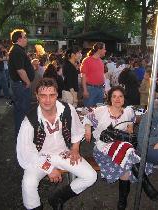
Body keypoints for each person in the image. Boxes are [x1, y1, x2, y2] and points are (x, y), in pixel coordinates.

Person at [16, 78, 97, 210]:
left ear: (57, 95)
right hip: (39, 157)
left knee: (91, 176)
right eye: (43, 96)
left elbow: (76, 130)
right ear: (37, 96)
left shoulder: (67, 109)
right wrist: (48, 168)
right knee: (28, 183)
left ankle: (58, 197)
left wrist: (75, 149)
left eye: (51, 95)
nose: (47, 100)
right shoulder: (29, 120)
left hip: (62, 153)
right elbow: (26, 151)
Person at [83, 86, 158, 210]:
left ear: (124, 98)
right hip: (103, 148)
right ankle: (146, 185)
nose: (117, 99)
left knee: (126, 164)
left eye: (120, 96)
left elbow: (130, 128)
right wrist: (87, 130)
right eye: (114, 96)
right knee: (127, 150)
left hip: (123, 150)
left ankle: (122, 200)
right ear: (110, 99)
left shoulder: (129, 112)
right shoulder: (102, 111)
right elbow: (87, 118)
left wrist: (130, 131)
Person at [8, 29, 35, 136]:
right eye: (25, 37)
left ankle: (21, 134)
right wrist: (28, 82)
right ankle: (22, 135)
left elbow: (22, 67)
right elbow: (20, 70)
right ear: (19, 39)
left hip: (20, 84)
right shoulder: (17, 51)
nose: (26, 39)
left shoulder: (18, 50)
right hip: (21, 84)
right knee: (23, 111)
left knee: (21, 109)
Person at [81, 42, 106, 107]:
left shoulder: (100, 61)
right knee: (89, 111)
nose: (105, 51)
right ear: (99, 50)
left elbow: (102, 75)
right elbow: (83, 76)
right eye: (104, 49)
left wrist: (104, 89)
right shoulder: (87, 60)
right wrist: (85, 90)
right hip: (90, 89)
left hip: (100, 89)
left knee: (99, 111)